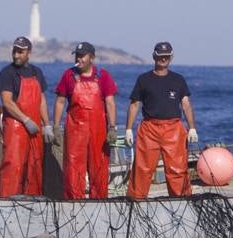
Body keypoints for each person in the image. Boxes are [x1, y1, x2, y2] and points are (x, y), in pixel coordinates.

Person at [125, 41, 197, 199]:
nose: (163, 59)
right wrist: (128, 129)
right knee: (142, 169)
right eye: (160, 56)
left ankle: (181, 201)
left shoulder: (178, 80)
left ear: (171, 57)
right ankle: (135, 201)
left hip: (173, 129)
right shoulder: (143, 79)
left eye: (166, 56)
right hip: (149, 128)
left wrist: (192, 127)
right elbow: (134, 104)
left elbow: (186, 104)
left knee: (177, 169)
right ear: (154, 57)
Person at [52, 42, 118, 200]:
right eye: (77, 56)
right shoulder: (68, 75)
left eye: (82, 56)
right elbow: (60, 101)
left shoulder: (103, 76)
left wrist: (112, 128)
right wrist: (55, 126)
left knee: (99, 169)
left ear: (92, 58)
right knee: (74, 169)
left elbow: (110, 102)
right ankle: (74, 203)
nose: (79, 59)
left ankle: (99, 203)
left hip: (98, 132)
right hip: (75, 130)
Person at [0, 37, 49, 197]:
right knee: (13, 166)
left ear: (29, 53)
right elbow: (7, 102)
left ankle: (33, 202)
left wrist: (47, 125)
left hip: (35, 128)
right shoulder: (7, 73)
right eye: (14, 51)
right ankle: (7, 202)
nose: (16, 55)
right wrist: (25, 120)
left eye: (20, 51)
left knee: (35, 166)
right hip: (16, 127)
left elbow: (42, 100)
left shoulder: (36, 72)